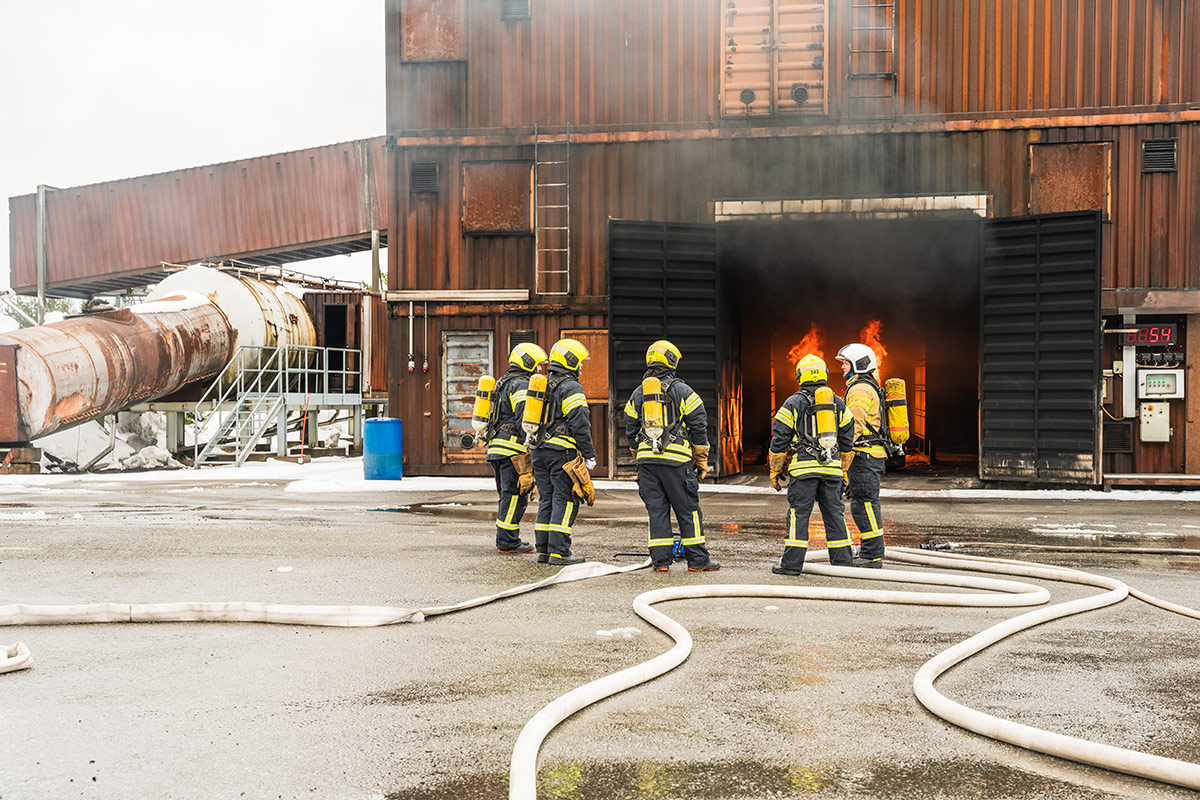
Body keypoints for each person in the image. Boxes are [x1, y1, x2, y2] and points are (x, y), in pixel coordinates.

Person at [623, 340, 720, 573]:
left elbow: (629, 425)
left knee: (656, 511)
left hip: (647, 462)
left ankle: (661, 562)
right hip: (676, 461)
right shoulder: (682, 390)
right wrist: (701, 458)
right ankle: (698, 561)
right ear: (672, 362)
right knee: (688, 510)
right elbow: (698, 423)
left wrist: (638, 454)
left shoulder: (639, 393)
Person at [767, 354, 855, 575]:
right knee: (835, 515)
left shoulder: (793, 403)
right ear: (825, 375)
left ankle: (791, 565)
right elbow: (847, 435)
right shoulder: (838, 402)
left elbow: (779, 438)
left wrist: (775, 469)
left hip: (804, 471)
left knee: (799, 515)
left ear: (800, 376)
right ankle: (842, 562)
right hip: (832, 469)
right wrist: (843, 469)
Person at [531, 338, 596, 566]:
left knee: (546, 499)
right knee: (566, 499)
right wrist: (589, 454)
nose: (581, 367)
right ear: (570, 361)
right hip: (562, 453)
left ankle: (544, 551)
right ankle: (560, 552)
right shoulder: (571, 387)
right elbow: (580, 423)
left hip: (538, 452)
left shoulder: (542, 384)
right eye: (579, 362)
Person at [484, 341, 548, 554]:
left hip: (497, 448)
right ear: (528, 363)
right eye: (538, 365)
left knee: (506, 495)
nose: (540, 370)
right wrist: (531, 444)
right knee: (514, 496)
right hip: (512, 450)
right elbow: (524, 416)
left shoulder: (503, 381)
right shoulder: (520, 384)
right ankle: (508, 542)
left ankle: (504, 538)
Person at [835, 342, 887, 568]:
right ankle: (871, 552)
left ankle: (871, 556)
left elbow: (854, 426)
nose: (842, 367)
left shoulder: (859, 390)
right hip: (868, 456)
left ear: (858, 364)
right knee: (866, 504)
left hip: (863, 456)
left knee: (864, 505)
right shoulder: (864, 386)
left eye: (845, 363)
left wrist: (840, 455)